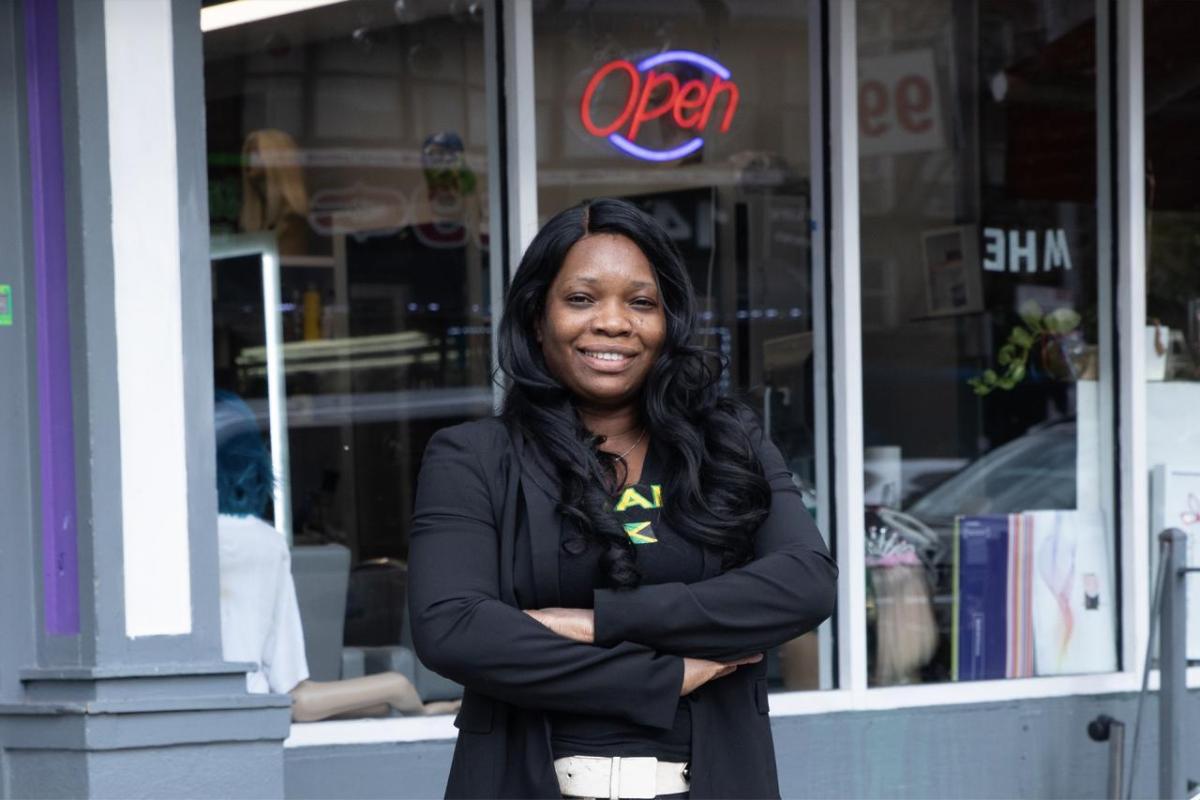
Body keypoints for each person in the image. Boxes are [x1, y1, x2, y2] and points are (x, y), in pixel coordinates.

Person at [407, 198, 838, 799]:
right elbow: (452, 629)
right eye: (581, 299)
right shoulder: (474, 457)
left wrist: (602, 621)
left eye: (641, 302)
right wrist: (664, 675)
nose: (613, 323)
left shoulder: (729, 445)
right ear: (537, 317)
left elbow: (804, 583)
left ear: (669, 323)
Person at [214, 391, 457, 721]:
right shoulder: (263, 543)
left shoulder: (163, 542)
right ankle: (397, 692)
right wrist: (401, 695)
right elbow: (292, 693)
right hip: (251, 722)